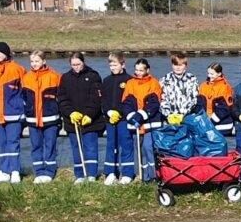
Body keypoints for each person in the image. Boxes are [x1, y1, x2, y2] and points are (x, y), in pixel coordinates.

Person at [0, 41, 27, 185]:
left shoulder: (18, 69)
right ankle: (3, 171)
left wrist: (23, 107)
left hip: (13, 113)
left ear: (6, 54)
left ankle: (15, 171)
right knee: (1, 143)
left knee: (13, 142)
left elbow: (26, 91)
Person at [58, 52, 105, 183]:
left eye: (78, 64)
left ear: (83, 62)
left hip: (91, 121)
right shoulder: (65, 78)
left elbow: (96, 99)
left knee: (90, 147)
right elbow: (62, 99)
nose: (76, 67)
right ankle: (79, 175)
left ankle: (91, 174)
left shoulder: (93, 76)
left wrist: (89, 115)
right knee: (76, 148)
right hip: (72, 121)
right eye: (73, 65)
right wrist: (71, 113)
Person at [21, 50, 61, 184]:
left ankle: (50, 171)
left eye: (37, 61)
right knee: (36, 146)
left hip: (50, 118)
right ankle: (39, 171)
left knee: (50, 145)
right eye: (32, 61)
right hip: (32, 119)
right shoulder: (26, 77)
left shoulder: (54, 76)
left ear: (44, 61)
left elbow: (60, 97)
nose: (34, 64)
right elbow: (23, 98)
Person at [122, 58, 163, 182]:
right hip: (135, 124)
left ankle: (154, 175)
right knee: (138, 150)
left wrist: (141, 115)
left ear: (147, 70)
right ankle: (143, 176)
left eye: (141, 70)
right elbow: (126, 102)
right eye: (136, 70)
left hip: (150, 122)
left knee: (148, 148)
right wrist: (132, 116)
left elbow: (154, 103)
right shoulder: (130, 83)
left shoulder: (154, 83)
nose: (138, 72)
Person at [102, 52, 134, 185]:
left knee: (126, 144)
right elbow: (103, 100)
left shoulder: (129, 80)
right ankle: (111, 172)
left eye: (115, 64)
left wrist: (120, 112)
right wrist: (108, 111)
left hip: (124, 119)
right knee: (111, 145)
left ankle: (127, 173)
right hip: (110, 119)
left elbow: (130, 101)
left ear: (122, 64)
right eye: (111, 64)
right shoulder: (107, 81)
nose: (112, 67)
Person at [160, 52, 200, 126]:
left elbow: (194, 99)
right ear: (172, 65)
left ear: (185, 66)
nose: (178, 67)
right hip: (169, 119)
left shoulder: (192, 79)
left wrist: (183, 114)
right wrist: (169, 115)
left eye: (180, 65)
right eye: (175, 65)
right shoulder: (165, 79)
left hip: (187, 118)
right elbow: (162, 99)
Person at [199, 63, 235, 133]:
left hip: (222, 125)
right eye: (208, 73)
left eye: (212, 74)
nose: (209, 76)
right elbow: (199, 105)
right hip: (206, 123)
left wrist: (211, 121)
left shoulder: (225, 87)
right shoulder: (203, 86)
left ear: (219, 74)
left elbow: (225, 109)